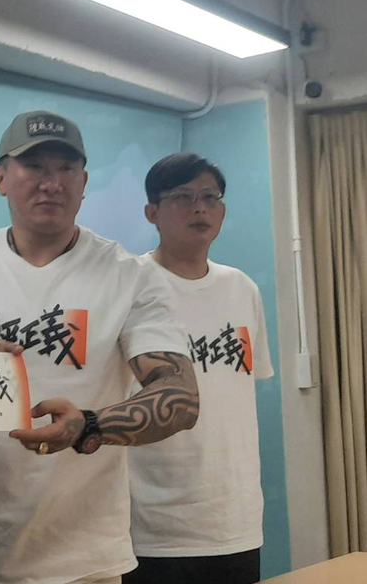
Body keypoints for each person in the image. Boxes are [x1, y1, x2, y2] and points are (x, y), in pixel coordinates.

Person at [0, 110, 200, 584]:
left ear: (83, 182)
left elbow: (180, 396)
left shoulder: (129, 276)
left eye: (65, 168)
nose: (51, 183)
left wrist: (88, 426)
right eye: (34, 166)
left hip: (84, 563)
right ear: (0, 178)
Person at [124, 153, 274, 584]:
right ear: (152, 212)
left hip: (235, 520)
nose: (200, 208)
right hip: (151, 527)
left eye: (210, 197)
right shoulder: (128, 285)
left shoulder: (242, 288)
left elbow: (237, 395)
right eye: (182, 197)